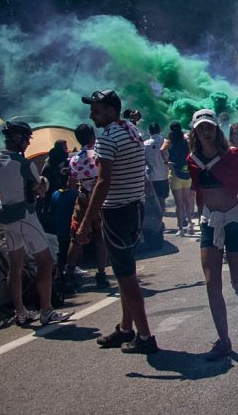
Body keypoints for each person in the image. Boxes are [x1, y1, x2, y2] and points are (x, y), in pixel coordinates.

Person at [75, 90, 158, 354]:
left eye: (96, 110)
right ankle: (125, 329)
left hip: (118, 213)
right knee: (125, 273)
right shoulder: (131, 129)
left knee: (126, 278)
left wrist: (86, 222)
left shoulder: (108, 138)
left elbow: (103, 182)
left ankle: (145, 336)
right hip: (134, 208)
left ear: (111, 111)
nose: (92, 115)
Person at [187, 109, 238, 360]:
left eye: (209, 127)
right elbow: (198, 191)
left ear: (216, 129)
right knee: (212, 283)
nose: (205, 131)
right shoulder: (192, 159)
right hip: (210, 221)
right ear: (194, 131)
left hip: (234, 218)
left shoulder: (231, 156)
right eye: (200, 127)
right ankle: (224, 341)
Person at [0, 121, 72, 326]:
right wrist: (44, 182)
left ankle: (20, 312)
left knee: (15, 265)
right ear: (17, 138)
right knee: (46, 261)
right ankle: (46, 310)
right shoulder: (23, 164)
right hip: (26, 215)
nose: (28, 143)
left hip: (6, 217)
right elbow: (40, 189)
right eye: (26, 139)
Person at [65, 123, 110, 291]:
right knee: (100, 238)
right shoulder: (99, 156)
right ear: (92, 136)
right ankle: (101, 275)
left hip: (82, 199)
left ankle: (69, 275)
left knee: (76, 239)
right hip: (100, 200)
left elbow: (71, 183)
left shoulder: (74, 160)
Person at [162, 121, 195, 236]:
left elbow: (162, 150)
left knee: (178, 203)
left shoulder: (169, 141)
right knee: (186, 201)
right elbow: (192, 151)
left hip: (175, 173)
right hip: (186, 173)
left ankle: (181, 228)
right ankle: (190, 224)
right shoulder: (185, 139)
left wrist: (167, 161)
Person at [143, 122, 170, 216]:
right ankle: (160, 218)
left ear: (149, 132)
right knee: (162, 199)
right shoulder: (165, 141)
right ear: (159, 131)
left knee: (152, 201)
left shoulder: (145, 144)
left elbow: (142, 159)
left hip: (151, 177)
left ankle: (155, 220)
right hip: (163, 175)